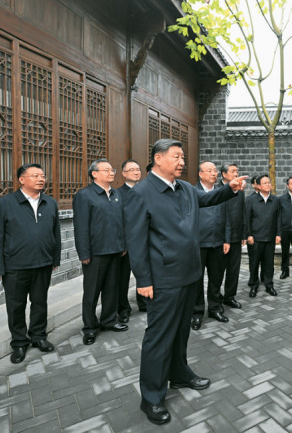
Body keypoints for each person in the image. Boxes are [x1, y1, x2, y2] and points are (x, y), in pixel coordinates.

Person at [123, 139, 247, 425]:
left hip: (189, 274)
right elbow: (136, 240)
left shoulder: (186, 189)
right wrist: (143, 279)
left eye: (183, 157)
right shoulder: (141, 193)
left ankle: (179, 374)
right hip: (163, 278)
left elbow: (207, 199)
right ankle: (151, 397)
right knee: (159, 337)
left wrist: (229, 189)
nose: (182, 162)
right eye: (177, 157)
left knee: (180, 332)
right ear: (158, 159)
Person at [0, 163, 61, 364]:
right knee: (16, 306)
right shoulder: (5, 203)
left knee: (39, 302)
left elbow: (56, 233)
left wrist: (55, 258)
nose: (40, 179)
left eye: (42, 175)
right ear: (21, 179)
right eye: (35, 175)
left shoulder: (50, 203)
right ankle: (19, 342)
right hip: (15, 266)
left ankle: (39, 337)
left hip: (42, 264)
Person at [73, 159, 128, 346]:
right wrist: (84, 253)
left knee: (112, 289)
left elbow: (122, 222)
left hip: (115, 250)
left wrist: (123, 245)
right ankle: (89, 327)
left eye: (112, 170)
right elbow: (80, 227)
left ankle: (109, 320)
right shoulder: (85, 195)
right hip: (95, 252)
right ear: (94, 174)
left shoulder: (116, 194)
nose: (111, 173)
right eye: (106, 170)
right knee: (92, 291)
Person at [191, 161, 229, 329]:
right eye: (210, 171)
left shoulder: (221, 193)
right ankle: (197, 313)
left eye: (215, 170)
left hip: (217, 242)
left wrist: (226, 239)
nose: (214, 173)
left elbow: (227, 218)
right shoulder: (192, 192)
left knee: (216, 278)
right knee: (196, 280)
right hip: (198, 244)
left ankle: (215, 308)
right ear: (200, 174)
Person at [117, 159, 146, 318]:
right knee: (122, 279)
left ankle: (144, 302)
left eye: (138, 169)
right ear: (123, 173)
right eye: (132, 170)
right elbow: (118, 222)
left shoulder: (145, 191)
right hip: (126, 244)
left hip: (144, 242)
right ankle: (123, 309)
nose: (136, 172)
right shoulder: (117, 194)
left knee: (144, 273)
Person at [245, 174, 281, 298]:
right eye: (265, 183)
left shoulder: (276, 200)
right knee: (254, 263)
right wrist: (248, 235)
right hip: (255, 238)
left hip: (270, 238)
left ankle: (269, 285)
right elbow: (247, 219)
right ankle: (253, 286)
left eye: (269, 182)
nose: (268, 185)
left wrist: (278, 234)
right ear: (258, 186)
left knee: (269, 263)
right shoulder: (250, 200)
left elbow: (279, 218)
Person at [219, 163, 245, 311]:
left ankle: (230, 297)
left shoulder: (240, 190)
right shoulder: (217, 190)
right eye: (232, 171)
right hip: (220, 238)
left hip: (236, 236)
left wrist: (243, 234)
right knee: (218, 271)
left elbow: (243, 212)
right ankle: (216, 298)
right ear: (223, 174)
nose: (236, 173)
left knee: (233, 270)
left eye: (237, 171)